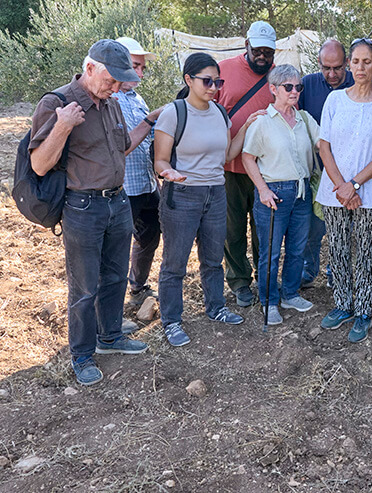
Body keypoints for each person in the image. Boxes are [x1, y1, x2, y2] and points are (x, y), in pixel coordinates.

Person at [29, 39, 150, 386]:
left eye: (119, 82)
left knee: (114, 277)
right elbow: (39, 165)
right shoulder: (57, 103)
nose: (115, 88)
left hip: (118, 202)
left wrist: (151, 120)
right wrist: (63, 124)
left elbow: (122, 147)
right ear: (90, 68)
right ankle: (82, 354)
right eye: (111, 80)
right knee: (84, 288)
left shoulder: (110, 103)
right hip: (83, 206)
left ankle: (110, 336)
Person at [154, 53, 261, 347]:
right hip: (183, 195)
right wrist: (169, 173)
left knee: (213, 260)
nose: (214, 87)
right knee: (174, 264)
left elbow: (227, 155)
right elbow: (160, 160)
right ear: (188, 80)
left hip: (216, 193)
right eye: (207, 81)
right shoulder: (174, 113)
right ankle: (172, 321)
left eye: (218, 81)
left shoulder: (219, 113)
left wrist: (248, 126)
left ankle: (216, 308)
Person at [316, 38, 372, 343]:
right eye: (355, 61)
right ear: (348, 64)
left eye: (367, 61)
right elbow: (324, 146)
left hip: (369, 192)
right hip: (334, 191)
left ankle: (363, 311)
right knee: (336, 248)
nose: (360, 67)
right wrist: (342, 187)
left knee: (365, 251)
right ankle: (341, 304)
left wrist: (355, 185)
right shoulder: (335, 100)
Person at [242, 64, 320, 324]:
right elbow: (248, 157)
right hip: (274, 194)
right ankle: (269, 301)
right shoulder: (262, 122)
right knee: (271, 252)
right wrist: (262, 190)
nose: (295, 91)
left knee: (297, 249)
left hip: (302, 191)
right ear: (273, 89)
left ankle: (289, 293)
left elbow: (324, 144)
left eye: (299, 86)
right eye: (288, 87)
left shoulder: (305, 119)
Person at [216, 21, 276, 308]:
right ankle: (240, 281)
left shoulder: (280, 76)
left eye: (268, 51)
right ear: (246, 45)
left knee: (264, 228)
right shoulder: (222, 70)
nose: (262, 56)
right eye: (257, 50)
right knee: (233, 228)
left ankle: (265, 278)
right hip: (229, 168)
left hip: (267, 169)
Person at [112, 37, 164, 328]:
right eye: (135, 67)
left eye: (142, 68)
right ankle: (110, 311)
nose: (140, 74)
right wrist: (151, 120)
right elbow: (123, 145)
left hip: (144, 183)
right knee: (117, 247)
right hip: (122, 187)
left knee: (150, 234)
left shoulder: (136, 98)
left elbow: (146, 142)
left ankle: (138, 287)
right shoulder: (110, 101)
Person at [299, 38, 355, 289]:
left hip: (350, 172)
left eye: (338, 68)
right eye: (326, 68)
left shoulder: (360, 82)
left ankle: (338, 272)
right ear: (319, 64)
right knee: (313, 226)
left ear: (347, 63)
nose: (332, 74)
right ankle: (309, 271)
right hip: (316, 170)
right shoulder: (307, 84)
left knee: (343, 228)